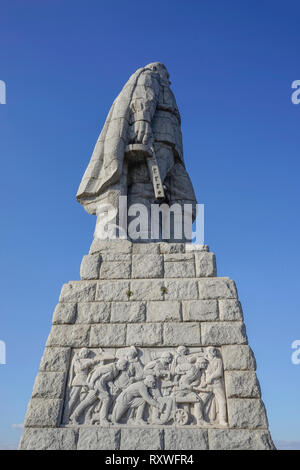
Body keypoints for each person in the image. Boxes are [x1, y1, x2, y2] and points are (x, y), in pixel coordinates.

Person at [76, 62, 197, 241]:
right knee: (145, 188)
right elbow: (143, 94)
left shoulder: (163, 86)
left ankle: (177, 243)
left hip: (173, 151)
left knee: (185, 199)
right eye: (167, 75)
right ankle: (141, 238)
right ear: (157, 70)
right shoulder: (150, 75)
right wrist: (142, 120)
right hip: (158, 140)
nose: (169, 80)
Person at [70, 358, 128, 425]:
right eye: (124, 365)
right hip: (98, 385)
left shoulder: (116, 371)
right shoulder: (110, 367)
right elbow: (98, 371)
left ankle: (74, 416)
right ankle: (103, 420)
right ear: (119, 364)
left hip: (101, 385)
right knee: (106, 399)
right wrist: (91, 382)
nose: (125, 367)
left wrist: (112, 386)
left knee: (87, 401)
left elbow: (107, 379)